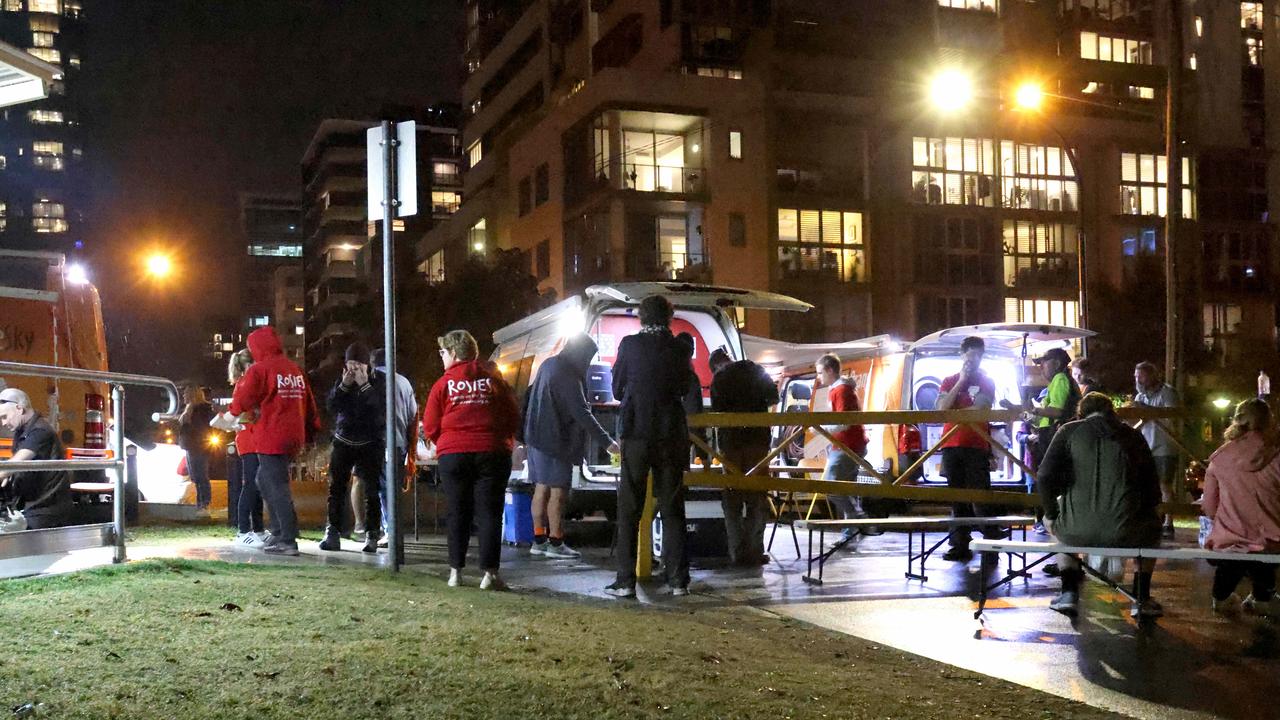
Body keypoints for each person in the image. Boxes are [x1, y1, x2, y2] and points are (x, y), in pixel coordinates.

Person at [1038, 392, 1164, 619]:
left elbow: (1045, 476)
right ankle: (1141, 597)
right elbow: (1151, 486)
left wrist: (1051, 514)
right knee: (1153, 531)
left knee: (1058, 529)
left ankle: (1068, 593)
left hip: (1075, 532)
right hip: (1128, 533)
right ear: (1111, 411)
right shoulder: (1132, 435)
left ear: (1081, 412)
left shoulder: (1068, 431)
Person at [606, 295, 695, 598]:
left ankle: (625, 580)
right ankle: (678, 580)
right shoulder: (680, 349)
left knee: (630, 506)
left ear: (642, 318)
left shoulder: (629, 346)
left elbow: (617, 388)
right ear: (669, 318)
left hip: (636, 433)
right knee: (672, 508)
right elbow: (685, 387)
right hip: (670, 433)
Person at [422, 330, 520, 590]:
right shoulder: (494, 379)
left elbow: (430, 424)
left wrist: (443, 440)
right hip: (492, 451)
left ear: (454, 353)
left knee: (457, 511)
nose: (441, 357)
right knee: (489, 513)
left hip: (454, 454)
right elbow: (512, 413)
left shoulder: (443, 384)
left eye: (443, 352)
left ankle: (456, 572)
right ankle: (490, 574)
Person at [518, 333, 618, 559]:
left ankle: (539, 539)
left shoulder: (548, 364)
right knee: (558, 492)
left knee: (540, 489)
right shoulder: (567, 374)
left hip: (535, 438)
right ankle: (556, 542)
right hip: (555, 440)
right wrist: (608, 443)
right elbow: (582, 413)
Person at [228, 326, 320, 556]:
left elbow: (243, 398)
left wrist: (231, 414)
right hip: (293, 435)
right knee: (263, 479)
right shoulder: (294, 369)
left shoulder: (260, 369)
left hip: (272, 435)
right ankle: (279, 530)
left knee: (276, 485)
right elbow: (310, 403)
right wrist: (311, 431)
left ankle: (287, 538)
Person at [1202, 399, 1280, 615]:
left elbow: (1209, 505)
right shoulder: (1276, 454)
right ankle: (1262, 596)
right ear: (1269, 421)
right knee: (1263, 553)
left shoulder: (1220, 458)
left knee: (1233, 556)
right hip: (1272, 538)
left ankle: (1221, 596)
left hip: (1230, 537)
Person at [710, 348, 779, 565]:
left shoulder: (719, 378)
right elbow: (773, 396)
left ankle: (737, 552)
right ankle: (755, 550)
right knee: (757, 497)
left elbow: (717, 409)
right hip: (758, 442)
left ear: (715, 365)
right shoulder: (754, 369)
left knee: (732, 499)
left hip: (731, 444)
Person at [935, 336, 998, 561]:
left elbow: (981, 408)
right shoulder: (949, 380)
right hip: (952, 445)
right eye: (971, 355)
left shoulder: (987, 381)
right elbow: (942, 408)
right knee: (957, 498)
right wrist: (961, 382)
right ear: (962, 355)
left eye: (979, 355)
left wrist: (955, 411)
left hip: (977, 444)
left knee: (981, 497)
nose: (975, 360)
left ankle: (991, 545)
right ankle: (960, 544)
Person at [320, 342, 385, 553]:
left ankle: (372, 533)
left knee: (372, 489)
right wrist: (344, 386)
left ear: (367, 366)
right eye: (350, 365)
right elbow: (331, 406)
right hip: (344, 439)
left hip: (370, 441)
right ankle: (333, 532)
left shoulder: (379, 381)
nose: (354, 370)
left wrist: (365, 385)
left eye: (358, 366)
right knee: (336, 487)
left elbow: (379, 409)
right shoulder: (342, 381)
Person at [813, 353, 873, 537]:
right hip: (851, 443)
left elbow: (844, 421)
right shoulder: (841, 389)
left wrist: (821, 429)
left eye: (820, 372)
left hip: (846, 445)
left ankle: (857, 518)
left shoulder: (841, 391)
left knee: (830, 486)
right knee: (847, 487)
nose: (818, 377)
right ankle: (851, 529)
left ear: (830, 370)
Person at [0, 387, 72, 529]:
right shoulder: (23, 430)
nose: (3, 423)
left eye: (4, 417)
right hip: (34, 505)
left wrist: (6, 472)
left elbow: (15, 463)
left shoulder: (40, 431)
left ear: (19, 408)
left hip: (45, 511)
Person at [372, 347, 418, 549]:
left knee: (382, 489)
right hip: (399, 443)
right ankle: (394, 529)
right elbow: (413, 416)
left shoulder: (372, 381)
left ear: (374, 362)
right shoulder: (404, 382)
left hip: (377, 442)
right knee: (393, 488)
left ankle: (389, 530)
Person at [222, 349, 266, 547]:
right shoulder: (244, 384)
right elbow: (238, 411)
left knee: (256, 484)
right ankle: (243, 530)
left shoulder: (246, 383)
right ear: (249, 365)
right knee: (250, 484)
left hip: (254, 438)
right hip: (249, 440)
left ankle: (258, 528)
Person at [1133, 360, 1180, 538]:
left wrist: (1147, 410)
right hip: (1146, 445)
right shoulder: (1140, 397)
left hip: (1165, 445)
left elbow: (1171, 416)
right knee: (1146, 484)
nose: (1139, 380)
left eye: (1142, 376)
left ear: (1153, 375)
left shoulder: (1167, 392)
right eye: (1136, 376)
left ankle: (1169, 521)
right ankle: (1151, 518)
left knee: (1164, 484)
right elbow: (1141, 420)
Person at [177, 386, 216, 512]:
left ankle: (204, 504)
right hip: (191, 446)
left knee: (201, 476)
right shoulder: (190, 409)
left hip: (198, 446)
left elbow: (201, 429)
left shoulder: (201, 410)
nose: (183, 396)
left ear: (192, 395)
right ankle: (201, 504)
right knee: (196, 476)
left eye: (185, 394)